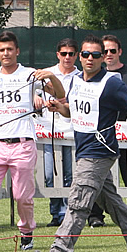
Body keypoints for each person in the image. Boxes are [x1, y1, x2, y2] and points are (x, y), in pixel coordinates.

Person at [33, 35, 127, 252]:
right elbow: (72, 110)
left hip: (99, 150)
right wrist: (60, 108)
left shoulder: (112, 83)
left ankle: (61, 250)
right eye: (86, 54)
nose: (91, 59)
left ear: (102, 58)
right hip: (84, 149)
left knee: (79, 200)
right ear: (80, 57)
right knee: (109, 201)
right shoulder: (76, 80)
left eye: (96, 55)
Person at [0, 30, 65, 252]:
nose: (6, 53)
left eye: (10, 49)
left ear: (17, 51)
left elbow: (59, 94)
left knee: (22, 197)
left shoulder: (30, 75)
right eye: (2, 50)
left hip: (23, 144)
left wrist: (52, 76)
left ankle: (27, 231)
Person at [88, 34, 127, 227]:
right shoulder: (95, 75)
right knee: (99, 175)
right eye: (104, 51)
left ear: (119, 52)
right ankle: (95, 216)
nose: (108, 54)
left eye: (112, 51)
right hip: (102, 134)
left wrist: (125, 101)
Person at [38, 38, 78, 227]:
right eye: (64, 54)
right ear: (58, 55)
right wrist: (37, 100)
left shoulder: (80, 76)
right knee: (49, 174)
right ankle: (56, 213)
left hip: (71, 131)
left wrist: (62, 106)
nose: (67, 57)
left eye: (71, 54)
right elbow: (31, 91)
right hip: (49, 130)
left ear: (76, 55)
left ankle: (68, 214)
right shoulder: (47, 73)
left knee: (70, 175)